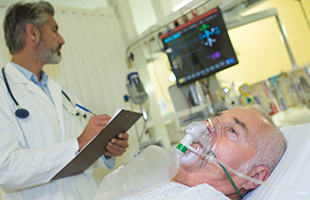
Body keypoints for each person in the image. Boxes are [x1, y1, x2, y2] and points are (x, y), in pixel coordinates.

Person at [0, 1, 129, 200]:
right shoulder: (3, 92)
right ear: (32, 33)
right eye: (54, 30)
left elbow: (82, 153)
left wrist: (106, 148)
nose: (62, 40)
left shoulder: (63, 94)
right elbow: (7, 169)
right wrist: (77, 143)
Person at [112, 107, 287, 200]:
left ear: (253, 176)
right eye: (215, 119)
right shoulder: (157, 179)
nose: (209, 126)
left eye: (233, 131)